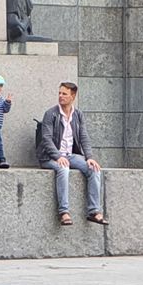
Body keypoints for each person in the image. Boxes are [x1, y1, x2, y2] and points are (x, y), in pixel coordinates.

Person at [36, 81, 105, 226]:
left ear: (73, 96)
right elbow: (46, 139)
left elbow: (84, 137)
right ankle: (64, 212)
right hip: (50, 156)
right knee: (63, 168)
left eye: (64, 94)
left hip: (70, 155)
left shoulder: (78, 115)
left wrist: (90, 158)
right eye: (59, 93)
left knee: (94, 169)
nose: (60, 96)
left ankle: (94, 211)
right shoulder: (51, 114)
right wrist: (58, 157)